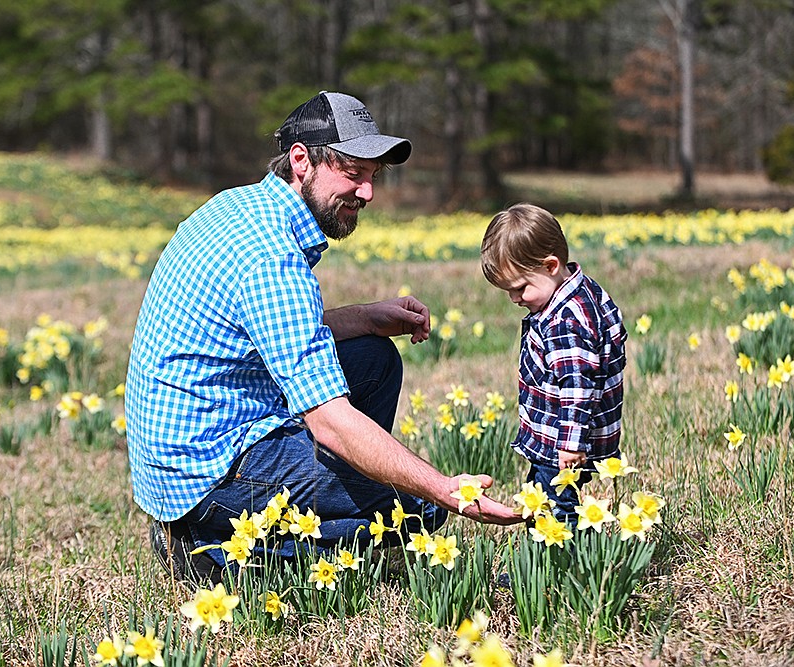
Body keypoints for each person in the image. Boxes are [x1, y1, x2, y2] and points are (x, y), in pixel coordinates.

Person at [126, 91, 524, 584]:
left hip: (201, 441)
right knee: (412, 509)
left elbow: (261, 334)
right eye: (353, 173)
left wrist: (364, 317)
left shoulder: (240, 206)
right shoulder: (269, 256)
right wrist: (443, 489)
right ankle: (213, 548)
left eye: (373, 176)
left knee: (373, 358)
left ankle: (320, 514)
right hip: (206, 477)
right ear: (301, 160)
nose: (368, 192)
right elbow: (330, 420)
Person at [480, 203, 627, 527]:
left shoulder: (565, 322)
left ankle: (556, 567)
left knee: (555, 508)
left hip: (562, 439)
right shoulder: (585, 291)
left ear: (550, 266)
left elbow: (578, 385)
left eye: (519, 288)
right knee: (541, 497)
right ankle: (542, 563)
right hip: (566, 435)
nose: (515, 299)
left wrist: (571, 443)